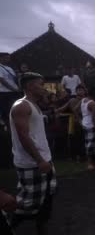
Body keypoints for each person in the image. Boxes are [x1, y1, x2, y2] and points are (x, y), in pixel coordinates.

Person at [8, 72, 57, 235]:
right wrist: (39, 160)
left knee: (46, 199)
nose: (44, 88)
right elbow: (23, 135)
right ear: (29, 86)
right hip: (33, 163)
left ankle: (41, 229)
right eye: (40, 84)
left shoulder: (33, 104)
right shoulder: (21, 106)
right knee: (27, 204)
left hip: (44, 160)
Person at [78, 85, 95, 170]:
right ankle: (89, 163)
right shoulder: (93, 103)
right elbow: (93, 118)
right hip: (91, 125)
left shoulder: (83, 100)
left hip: (85, 124)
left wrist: (80, 120)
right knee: (90, 145)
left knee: (91, 144)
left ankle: (93, 162)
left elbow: (76, 109)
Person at [0, 53, 20, 126]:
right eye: (6, 58)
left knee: (14, 109)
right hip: (4, 92)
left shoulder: (10, 68)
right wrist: (13, 88)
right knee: (7, 110)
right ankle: (7, 126)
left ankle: (14, 124)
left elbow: (14, 79)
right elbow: (2, 80)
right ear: (1, 58)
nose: (9, 59)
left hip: (14, 91)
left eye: (9, 58)